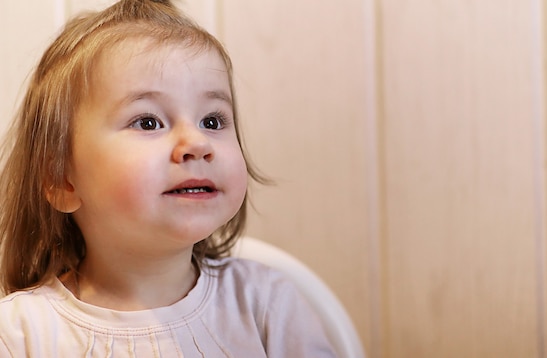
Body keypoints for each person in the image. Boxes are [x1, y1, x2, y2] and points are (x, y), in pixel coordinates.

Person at [0, 0, 336, 356]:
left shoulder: (267, 306)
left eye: (212, 121)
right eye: (148, 122)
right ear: (62, 180)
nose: (198, 143)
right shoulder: (20, 334)